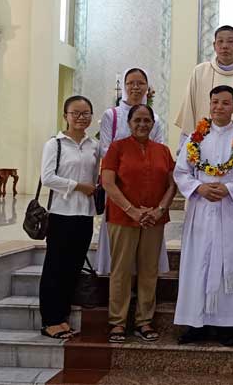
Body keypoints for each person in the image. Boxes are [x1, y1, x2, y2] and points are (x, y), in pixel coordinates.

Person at [173, 85, 233, 347]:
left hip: (231, 210)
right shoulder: (196, 137)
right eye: (215, 102)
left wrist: (229, 189)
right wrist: (198, 188)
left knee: (229, 263)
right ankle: (195, 323)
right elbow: (181, 172)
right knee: (198, 263)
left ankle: (226, 325)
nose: (219, 107)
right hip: (201, 210)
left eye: (225, 103)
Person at [102, 104, 177, 343]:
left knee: (148, 271)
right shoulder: (117, 148)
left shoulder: (163, 151)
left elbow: (172, 184)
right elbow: (108, 182)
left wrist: (159, 209)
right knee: (121, 270)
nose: (142, 124)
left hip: (154, 219)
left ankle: (144, 321)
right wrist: (132, 210)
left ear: (153, 124)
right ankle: (117, 322)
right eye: (138, 120)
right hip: (123, 218)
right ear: (129, 122)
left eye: (147, 120)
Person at [95, 67, 166, 275]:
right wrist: (131, 160)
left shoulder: (155, 118)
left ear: (147, 87)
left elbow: (158, 147)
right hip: (119, 184)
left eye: (140, 83)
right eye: (131, 83)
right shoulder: (111, 115)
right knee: (120, 248)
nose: (135, 87)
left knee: (148, 254)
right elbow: (105, 148)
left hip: (147, 186)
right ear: (124, 86)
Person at [39, 95, 99, 339]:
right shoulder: (55, 144)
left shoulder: (94, 145)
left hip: (85, 214)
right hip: (61, 214)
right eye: (75, 113)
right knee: (55, 267)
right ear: (66, 116)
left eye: (86, 113)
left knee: (73, 268)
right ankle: (50, 320)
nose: (81, 118)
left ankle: (62, 317)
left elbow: (96, 177)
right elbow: (47, 178)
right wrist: (78, 186)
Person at [175, 25, 233, 149]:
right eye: (220, 41)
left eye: (230, 41)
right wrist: (184, 148)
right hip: (204, 147)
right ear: (214, 45)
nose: (225, 46)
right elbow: (189, 111)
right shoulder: (200, 72)